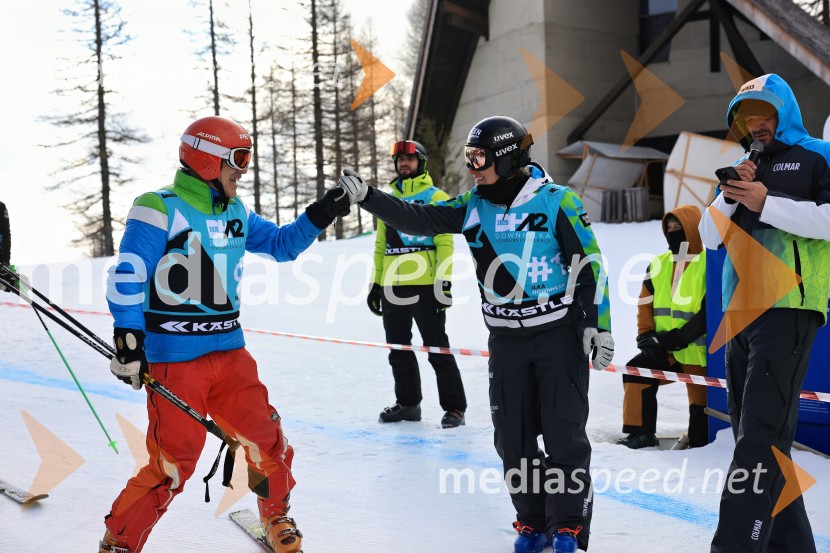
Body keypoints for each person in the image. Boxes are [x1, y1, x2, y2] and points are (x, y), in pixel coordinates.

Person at [338, 116, 614, 553]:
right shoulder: (473, 205)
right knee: (512, 439)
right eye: (469, 157)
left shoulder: (557, 201)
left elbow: (590, 265)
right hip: (506, 342)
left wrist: (599, 324)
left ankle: (568, 525)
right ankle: (532, 520)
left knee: (563, 434)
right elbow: (418, 218)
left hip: (558, 338)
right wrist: (370, 197)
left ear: (506, 157)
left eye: (479, 157)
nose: (472, 167)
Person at [100, 115, 350, 553]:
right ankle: (119, 542)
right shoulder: (159, 207)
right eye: (238, 159)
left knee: (267, 441)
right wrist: (129, 339)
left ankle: (275, 515)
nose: (243, 170)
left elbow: (281, 245)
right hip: (175, 362)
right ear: (207, 160)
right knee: (173, 465)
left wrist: (321, 212)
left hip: (231, 356)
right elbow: (128, 274)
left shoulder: (235, 211)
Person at [700, 74, 830, 552]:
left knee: (759, 439)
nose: (755, 124)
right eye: (745, 117)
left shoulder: (818, 155)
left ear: (784, 111)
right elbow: (709, 237)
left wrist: (766, 202)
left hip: (789, 305)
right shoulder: (745, 166)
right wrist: (731, 195)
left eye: (763, 113)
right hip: (740, 311)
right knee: (756, 439)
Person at [368, 139, 467, 428]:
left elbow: (445, 243)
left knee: (437, 348)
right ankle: (408, 404)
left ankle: (454, 408)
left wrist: (443, 282)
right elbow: (381, 246)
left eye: (410, 159)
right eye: (400, 159)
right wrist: (376, 284)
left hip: (426, 286)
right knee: (398, 348)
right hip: (392, 286)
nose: (404, 163)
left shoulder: (436, 196)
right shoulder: (388, 200)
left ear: (421, 163)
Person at [618, 205, 708, 450]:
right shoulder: (658, 264)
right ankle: (641, 434)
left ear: (693, 229)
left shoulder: (709, 263)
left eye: (678, 227)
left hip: (698, 353)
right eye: (668, 228)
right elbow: (645, 304)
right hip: (664, 350)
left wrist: (677, 338)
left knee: (701, 405)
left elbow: (707, 314)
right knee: (636, 372)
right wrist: (646, 337)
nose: (672, 232)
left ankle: (701, 445)